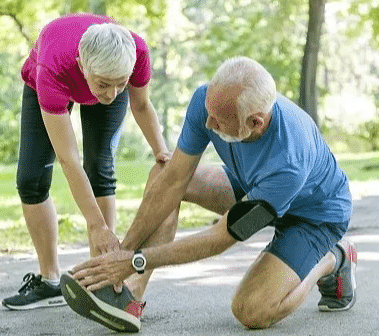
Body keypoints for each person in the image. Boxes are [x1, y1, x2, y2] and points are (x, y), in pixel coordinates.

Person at [61, 56, 356, 332]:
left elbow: (219, 238)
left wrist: (136, 259)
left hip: (313, 217)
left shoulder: (289, 161)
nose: (208, 124)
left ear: (255, 122)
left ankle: (332, 258)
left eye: (219, 120)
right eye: (209, 112)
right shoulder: (208, 101)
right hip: (252, 185)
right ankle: (130, 293)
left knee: (251, 310)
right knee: (162, 173)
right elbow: (173, 180)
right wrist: (122, 254)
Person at [1, 13, 170, 311]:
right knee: (30, 179)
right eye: (104, 85)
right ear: (82, 65)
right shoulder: (52, 67)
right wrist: (97, 226)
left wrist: (161, 152)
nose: (112, 94)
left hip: (103, 68)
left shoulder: (137, 52)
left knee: (99, 167)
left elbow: (141, 104)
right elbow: (68, 159)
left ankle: (102, 280)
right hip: (54, 73)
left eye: (120, 84)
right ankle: (49, 281)